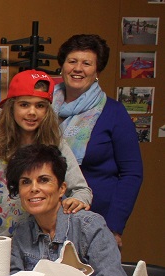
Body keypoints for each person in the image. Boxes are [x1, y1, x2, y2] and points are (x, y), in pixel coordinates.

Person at [0, 70, 92, 236]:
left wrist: (78, 200)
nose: (32, 112)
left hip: (43, 238)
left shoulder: (57, 146)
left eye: (40, 106)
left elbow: (82, 189)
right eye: (24, 105)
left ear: (48, 111)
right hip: (1, 238)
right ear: (11, 107)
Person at [7, 144, 139, 276]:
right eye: (26, 182)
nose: (34, 188)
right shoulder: (21, 232)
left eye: (43, 180)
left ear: (62, 188)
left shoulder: (89, 226)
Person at [54, 34, 143, 247]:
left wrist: (114, 227)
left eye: (86, 63)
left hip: (95, 219)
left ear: (97, 72)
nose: (78, 68)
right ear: (62, 66)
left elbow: (132, 173)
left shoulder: (114, 112)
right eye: (72, 61)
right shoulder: (42, 108)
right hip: (46, 218)